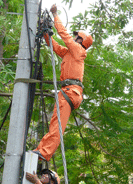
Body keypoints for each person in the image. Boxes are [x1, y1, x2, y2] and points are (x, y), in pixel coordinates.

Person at [33, 4, 93, 162]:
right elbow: (55, 46)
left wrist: (55, 15)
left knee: (56, 125)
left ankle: (45, 153)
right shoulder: (69, 53)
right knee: (54, 123)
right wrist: (46, 33)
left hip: (71, 92)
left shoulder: (79, 51)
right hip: (67, 91)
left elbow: (64, 36)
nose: (73, 38)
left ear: (81, 40)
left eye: (76, 37)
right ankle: (41, 150)